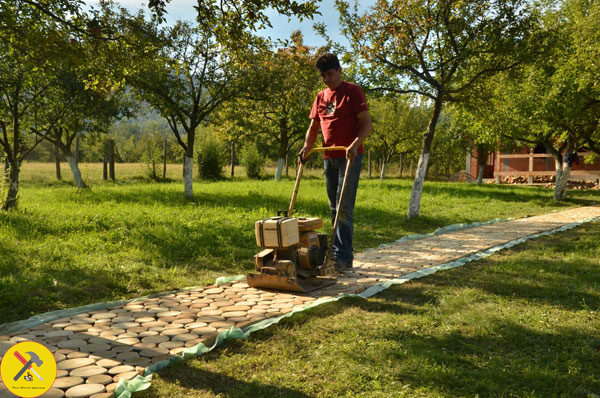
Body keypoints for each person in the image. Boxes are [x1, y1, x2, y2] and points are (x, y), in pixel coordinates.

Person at [299, 53, 372, 273]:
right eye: (322, 76)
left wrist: (354, 144)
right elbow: (313, 127)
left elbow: (367, 124)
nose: (326, 79)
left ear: (339, 71)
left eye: (329, 74)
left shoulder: (352, 91)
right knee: (334, 207)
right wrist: (307, 147)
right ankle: (333, 253)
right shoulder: (321, 96)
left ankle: (343, 259)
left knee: (344, 208)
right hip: (328, 157)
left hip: (349, 156)